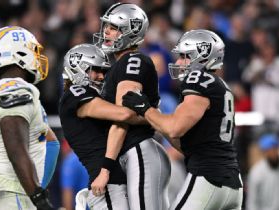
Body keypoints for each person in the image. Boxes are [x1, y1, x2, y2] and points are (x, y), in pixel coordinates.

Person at [122, 29, 243, 210]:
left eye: (185, 56)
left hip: (208, 178)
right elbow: (184, 144)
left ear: (202, 57)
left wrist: (145, 109)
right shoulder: (221, 86)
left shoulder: (198, 78)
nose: (178, 62)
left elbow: (175, 128)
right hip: (233, 184)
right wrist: (153, 118)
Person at [91, 3, 171, 210]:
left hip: (139, 150)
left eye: (113, 27)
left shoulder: (132, 60)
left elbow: (124, 114)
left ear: (130, 31)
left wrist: (106, 167)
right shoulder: (118, 65)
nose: (106, 31)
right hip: (136, 153)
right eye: (106, 26)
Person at [60, 43, 147, 209]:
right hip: (107, 184)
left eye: (104, 72)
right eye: (97, 70)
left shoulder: (86, 96)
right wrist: (151, 114)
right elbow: (124, 114)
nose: (101, 76)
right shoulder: (74, 95)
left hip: (112, 181)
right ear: (79, 67)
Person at [0, 26, 54, 210]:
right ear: (19, 52)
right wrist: (38, 196)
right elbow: (16, 148)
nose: (36, 57)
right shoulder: (17, 88)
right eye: (33, 50)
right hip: (13, 191)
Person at [247, 134, 279, 210]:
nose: (274, 153)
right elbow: (252, 202)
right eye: (271, 150)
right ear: (265, 152)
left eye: (275, 149)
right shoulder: (256, 172)